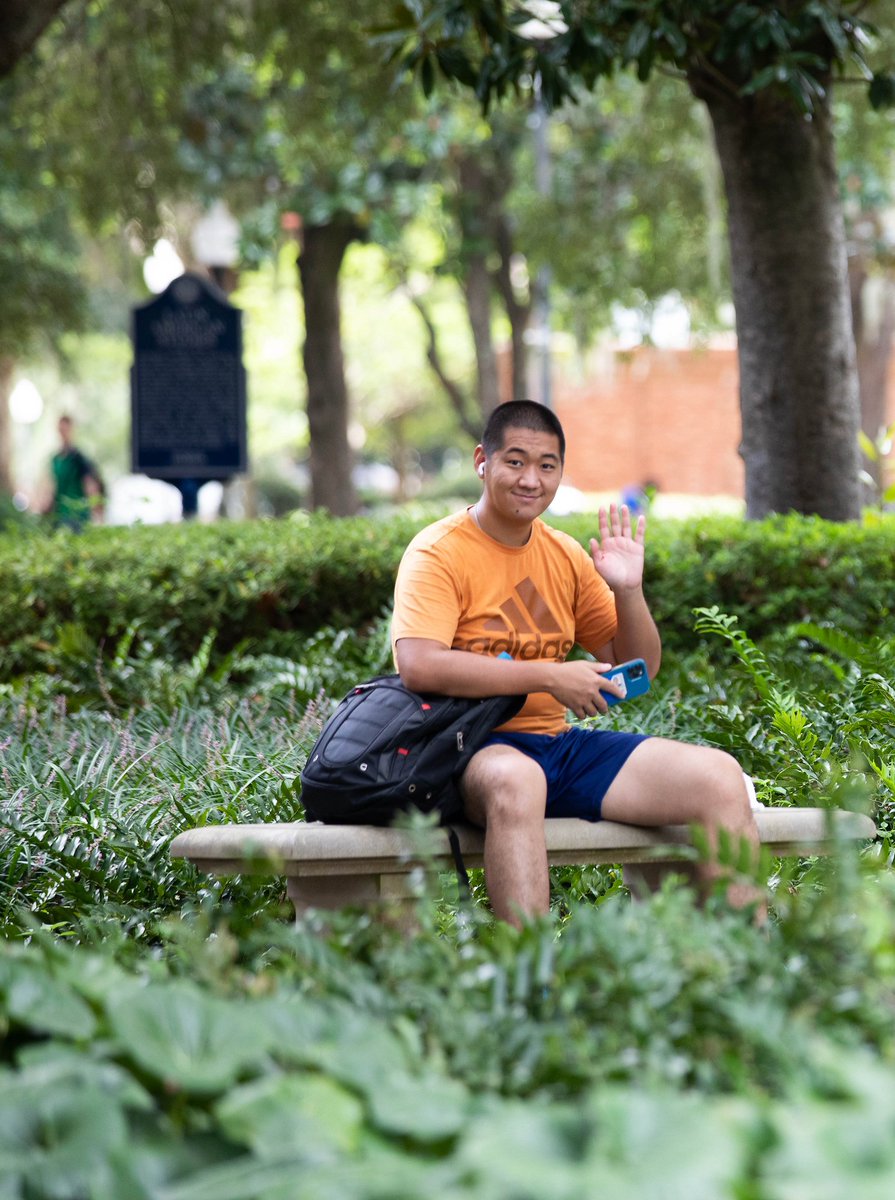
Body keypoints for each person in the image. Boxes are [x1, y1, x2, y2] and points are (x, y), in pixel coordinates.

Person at [391, 400, 761, 926]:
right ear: (483, 460)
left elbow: (637, 667)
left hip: (558, 748)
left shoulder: (564, 554)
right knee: (519, 782)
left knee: (718, 776)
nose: (531, 479)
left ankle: (753, 973)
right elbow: (420, 666)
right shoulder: (438, 552)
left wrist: (628, 591)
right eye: (515, 461)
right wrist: (547, 675)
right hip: (469, 748)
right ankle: (529, 984)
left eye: (547, 465)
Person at [44, 414, 104, 531]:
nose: (63, 433)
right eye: (61, 430)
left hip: (78, 515)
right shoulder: (55, 459)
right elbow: (52, 487)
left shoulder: (79, 458)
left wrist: (97, 513)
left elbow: (90, 486)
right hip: (60, 514)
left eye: (65, 429)